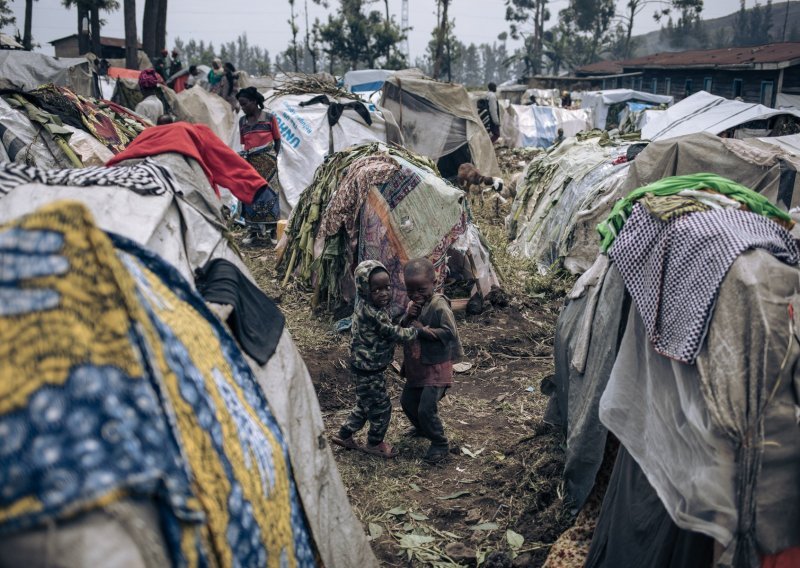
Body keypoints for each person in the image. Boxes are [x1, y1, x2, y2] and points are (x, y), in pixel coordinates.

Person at [332, 260, 419, 458]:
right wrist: (416, 333)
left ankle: (344, 434)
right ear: (364, 289)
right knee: (382, 407)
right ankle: (374, 442)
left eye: (387, 287)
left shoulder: (366, 304)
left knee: (364, 404)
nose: (384, 293)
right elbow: (391, 332)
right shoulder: (373, 313)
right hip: (370, 368)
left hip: (363, 365)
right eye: (377, 289)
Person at [400, 258, 463, 464]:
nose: (416, 295)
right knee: (408, 402)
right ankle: (421, 428)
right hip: (418, 365)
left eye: (421, 289)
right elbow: (402, 327)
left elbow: (449, 333)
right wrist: (408, 318)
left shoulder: (438, 305)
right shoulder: (413, 305)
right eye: (411, 290)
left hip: (436, 365)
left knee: (426, 408)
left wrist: (422, 330)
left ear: (434, 283)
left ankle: (440, 443)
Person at [237, 87, 282, 246]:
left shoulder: (269, 118)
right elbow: (245, 145)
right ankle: (253, 230)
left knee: (270, 195)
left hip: (269, 164)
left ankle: (272, 231)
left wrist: (272, 158)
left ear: (255, 102)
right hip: (251, 164)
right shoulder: (242, 121)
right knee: (252, 195)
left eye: (244, 104)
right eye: (240, 105)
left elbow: (277, 141)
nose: (242, 108)